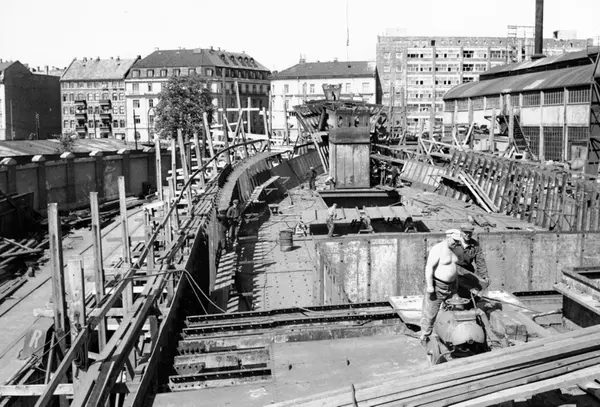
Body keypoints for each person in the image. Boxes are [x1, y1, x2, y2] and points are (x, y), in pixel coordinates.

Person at [420, 229, 462, 345]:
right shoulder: (437, 249)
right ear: (448, 237)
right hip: (437, 286)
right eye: (454, 241)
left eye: (458, 241)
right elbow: (429, 267)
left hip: (453, 287)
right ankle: (425, 337)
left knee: (457, 311)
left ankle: (452, 335)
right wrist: (430, 286)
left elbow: (460, 264)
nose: (456, 243)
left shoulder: (458, 249)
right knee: (430, 314)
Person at [452, 223, 490, 294]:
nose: (468, 234)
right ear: (461, 232)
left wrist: (484, 276)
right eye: (465, 232)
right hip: (453, 270)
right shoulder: (454, 242)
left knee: (473, 290)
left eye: (470, 233)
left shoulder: (475, 245)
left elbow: (480, 261)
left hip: (467, 271)